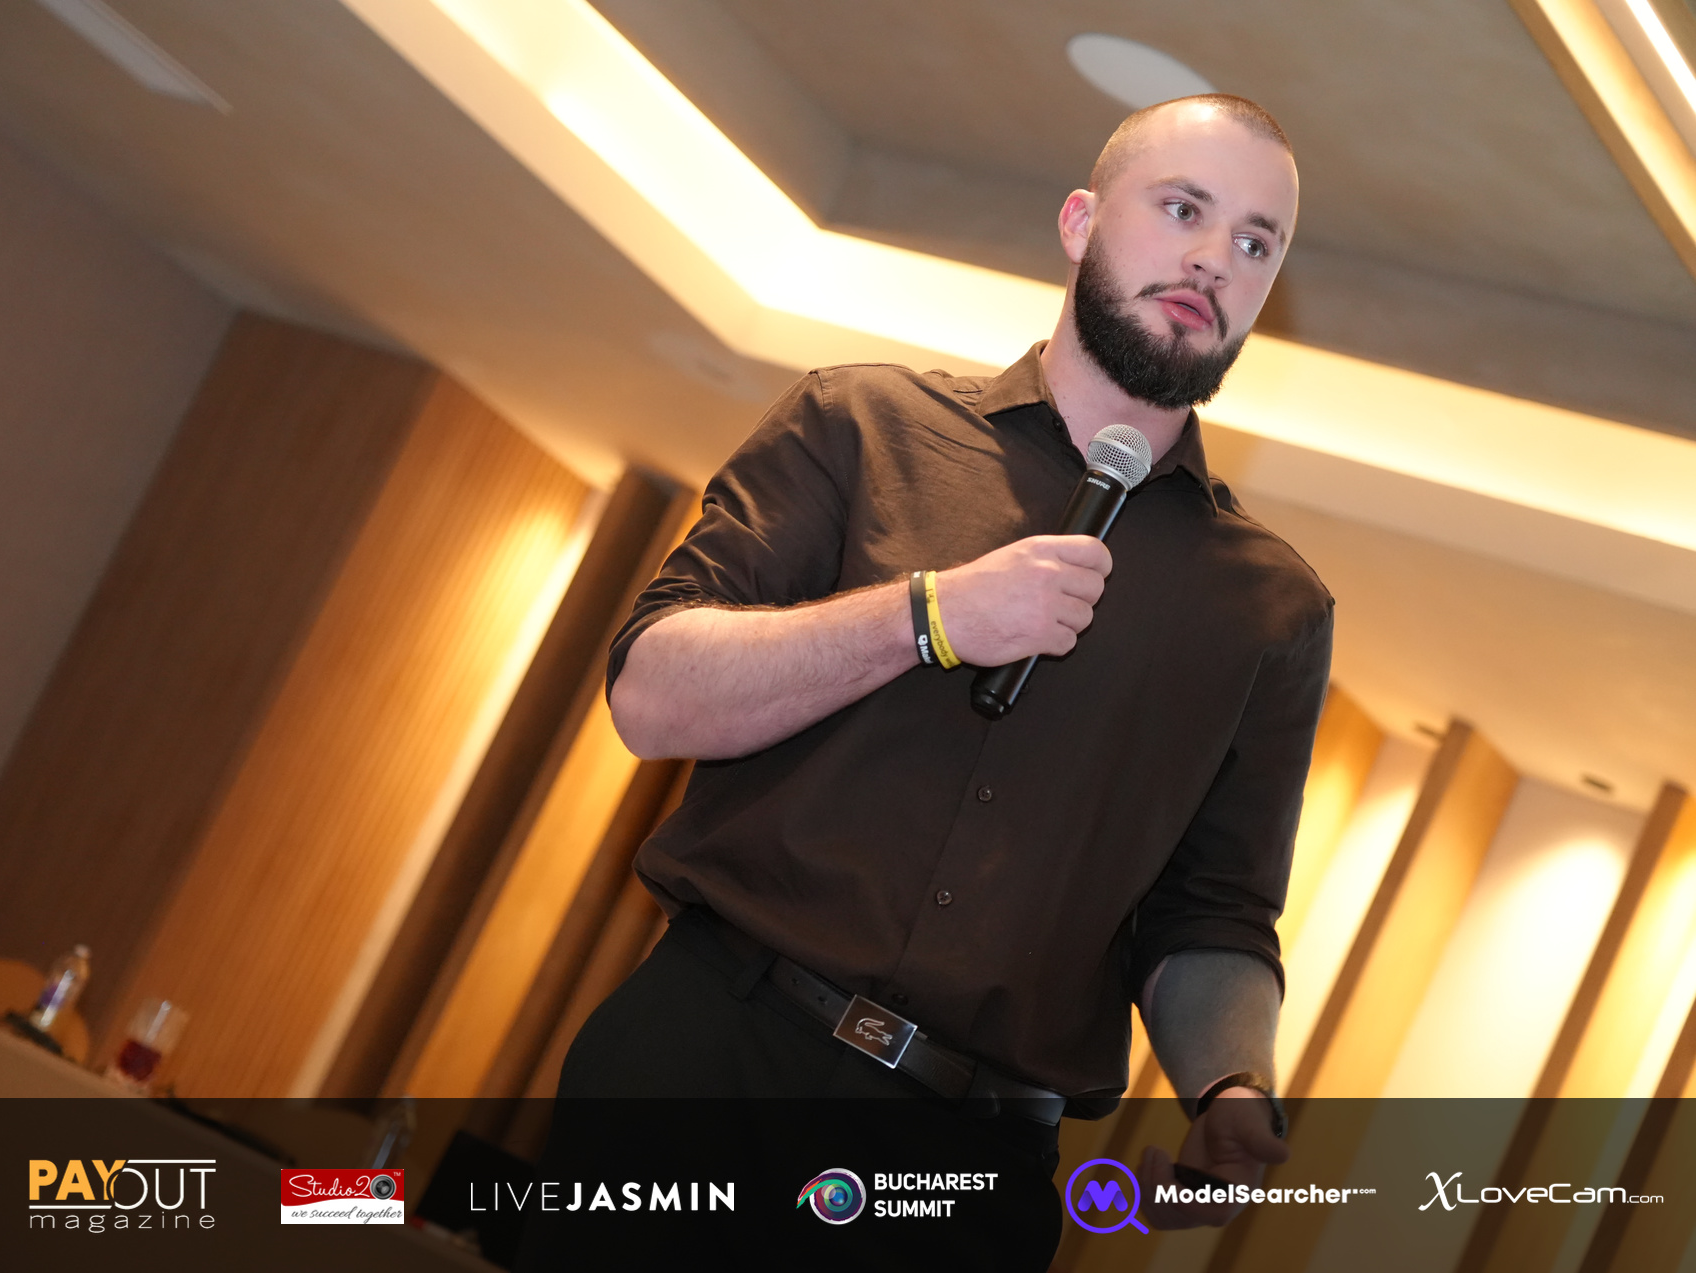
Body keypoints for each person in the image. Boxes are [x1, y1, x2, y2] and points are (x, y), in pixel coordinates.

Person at [519, 93, 1328, 1270]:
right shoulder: (860, 423)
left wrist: (1230, 1084)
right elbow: (652, 694)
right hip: (710, 1064)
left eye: (1255, 242)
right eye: (1182, 209)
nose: (1214, 257)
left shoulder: (1270, 610)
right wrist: (928, 616)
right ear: (1079, 222)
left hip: (964, 1176)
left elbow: (1214, 910)